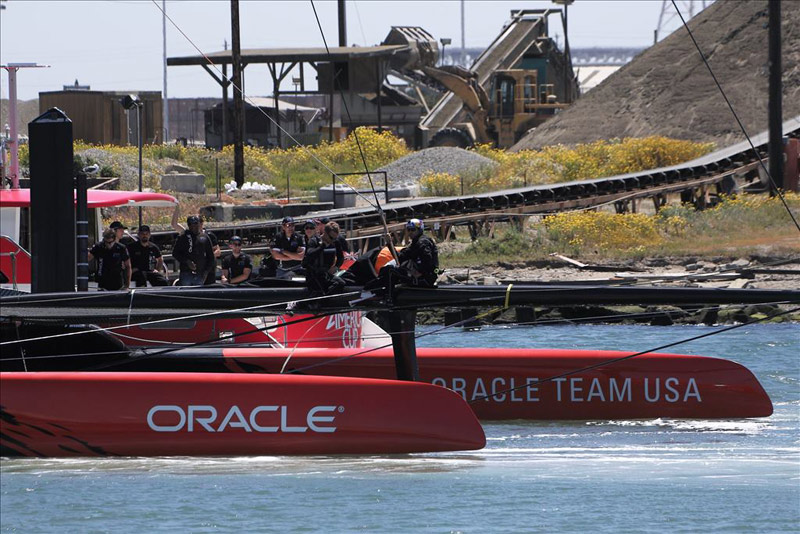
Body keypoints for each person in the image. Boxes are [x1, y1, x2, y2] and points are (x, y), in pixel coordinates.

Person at [302, 220, 345, 296]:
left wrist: (336, 267)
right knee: (318, 291)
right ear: (325, 233)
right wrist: (322, 247)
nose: (333, 240)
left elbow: (341, 257)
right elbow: (309, 254)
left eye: (334, 238)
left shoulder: (335, 242)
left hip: (325, 273)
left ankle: (326, 298)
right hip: (313, 274)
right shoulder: (314, 241)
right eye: (331, 237)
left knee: (340, 283)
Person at [172, 215, 215, 286]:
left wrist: (205, 272)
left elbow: (211, 257)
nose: (193, 226)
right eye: (190, 224)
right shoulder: (183, 237)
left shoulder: (204, 237)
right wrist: (187, 261)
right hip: (186, 273)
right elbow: (175, 253)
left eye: (195, 223)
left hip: (200, 273)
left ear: (199, 224)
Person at [397, 218, 439, 287]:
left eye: (413, 229)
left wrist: (421, 272)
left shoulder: (422, 242)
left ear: (419, 230)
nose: (410, 232)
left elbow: (428, 260)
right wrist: (389, 245)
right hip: (422, 275)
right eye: (409, 230)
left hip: (427, 277)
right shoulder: (415, 243)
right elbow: (403, 256)